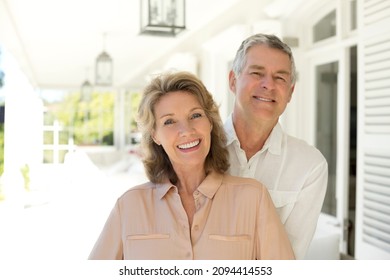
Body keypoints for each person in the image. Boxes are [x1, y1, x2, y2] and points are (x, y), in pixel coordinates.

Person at [88, 71, 295, 260]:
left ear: (210, 122)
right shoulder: (129, 205)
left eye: (195, 115)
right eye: (169, 122)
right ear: (155, 135)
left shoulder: (253, 198)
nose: (186, 130)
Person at [225, 33, 328, 259]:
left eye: (280, 78)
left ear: (290, 92)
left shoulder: (310, 166)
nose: (268, 85)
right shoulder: (195, 150)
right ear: (233, 81)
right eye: (257, 73)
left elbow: (288, 257)